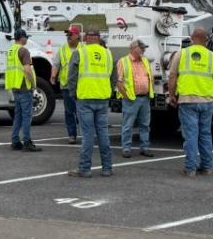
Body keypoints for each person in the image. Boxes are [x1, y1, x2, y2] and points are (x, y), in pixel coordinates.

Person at [167, 26, 213, 177]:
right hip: (206, 101)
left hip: (187, 100)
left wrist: (171, 95)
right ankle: (207, 167)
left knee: (191, 135)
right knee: (205, 134)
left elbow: (172, 76)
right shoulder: (212, 56)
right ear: (206, 40)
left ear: (191, 38)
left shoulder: (182, 54)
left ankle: (190, 168)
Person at [68, 26, 113, 177]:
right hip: (102, 98)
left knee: (87, 135)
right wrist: (108, 92)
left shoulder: (80, 52)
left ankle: (85, 168)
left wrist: (73, 94)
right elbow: (113, 77)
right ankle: (107, 168)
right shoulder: (107, 53)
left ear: (86, 38)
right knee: (103, 133)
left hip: (85, 98)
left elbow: (72, 77)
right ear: (99, 38)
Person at [116, 39, 154, 159]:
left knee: (145, 125)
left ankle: (145, 148)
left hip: (144, 98)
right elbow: (119, 81)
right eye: (141, 48)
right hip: (131, 99)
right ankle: (126, 149)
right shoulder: (123, 61)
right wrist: (126, 96)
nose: (144, 50)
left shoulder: (145, 61)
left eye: (144, 48)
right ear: (133, 48)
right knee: (128, 125)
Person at [5, 28, 40, 152]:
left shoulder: (10, 51)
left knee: (18, 115)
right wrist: (34, 83)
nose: (27, 39)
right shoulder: (24, 51)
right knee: (27, 116)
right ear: (22, 38)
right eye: (26, 37)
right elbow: (27, 70)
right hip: (24, 86)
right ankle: (27, 141)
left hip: (15, 86)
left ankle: (15, 141)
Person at [56, 25, 81, 145]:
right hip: (66, 86)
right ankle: (72, 134)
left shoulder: (84, 49)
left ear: (77, 35)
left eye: (70, 34)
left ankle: (87, 133)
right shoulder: (62, 49)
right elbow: (56, 64)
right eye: (67, 35)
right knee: (69, 111)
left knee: (81, 111)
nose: (68, 37)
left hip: (81, 86)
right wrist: (53, 75)